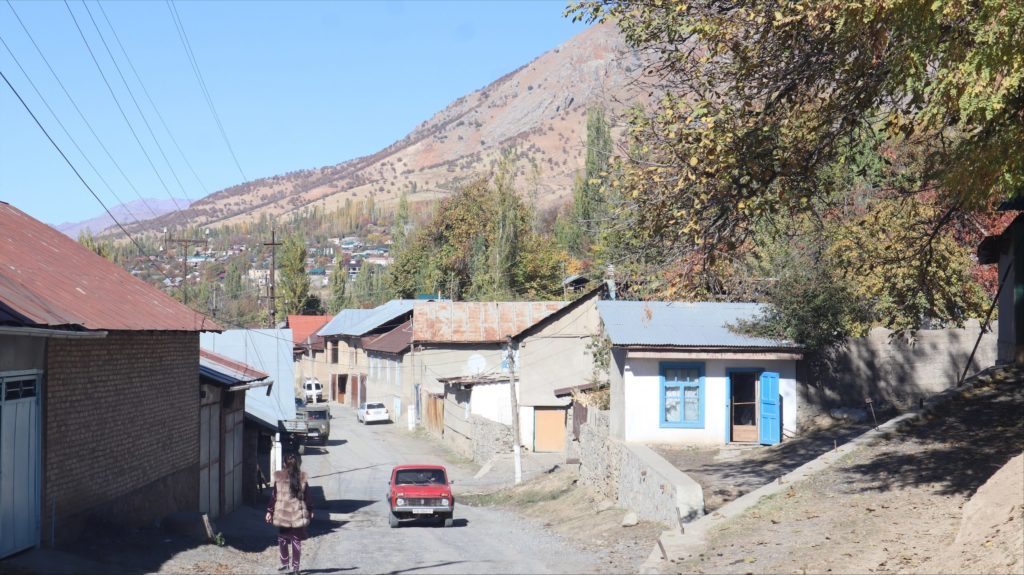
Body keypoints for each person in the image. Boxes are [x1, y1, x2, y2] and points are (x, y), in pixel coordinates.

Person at [265, 453, 313, 574]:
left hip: (283, 515)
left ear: (284, 464)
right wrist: (310, 510)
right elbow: (307, 498)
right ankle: (295, 568)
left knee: (282, 539)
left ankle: (285, 564)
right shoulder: (302, 479)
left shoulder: (280, 478)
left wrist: (269, 511)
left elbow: (274, 497)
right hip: (298, 515)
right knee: (296, 540)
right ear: (298, 463)